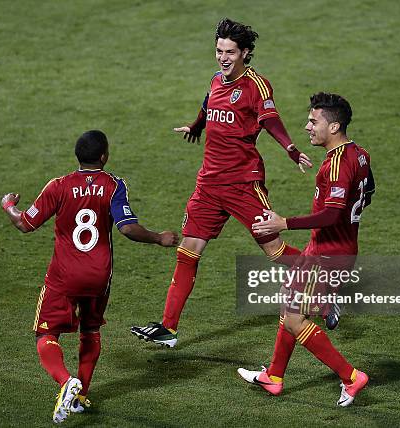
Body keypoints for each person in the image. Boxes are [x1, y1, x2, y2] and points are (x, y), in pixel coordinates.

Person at [130, 18, 313, 347]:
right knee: (188, 250)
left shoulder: (256, 86)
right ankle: (168, 328)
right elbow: (207, 105)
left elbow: (269, 118)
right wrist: (196, 126)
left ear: (245, 52)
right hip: (208, 186)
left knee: (274, 250)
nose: (223, 58)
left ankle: (323, 286)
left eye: (230, 52)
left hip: (243, 184)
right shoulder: (216, 81)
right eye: (218, 51)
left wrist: (290, 148)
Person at [0, 130, 178, 423]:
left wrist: (9, 204)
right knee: (91, 331)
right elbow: (127, 228)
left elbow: (25, 224)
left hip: (64, 277)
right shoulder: (114, 185)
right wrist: (159, 238)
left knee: (46, 333)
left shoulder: (59, 186)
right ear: (104, 156)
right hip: (99, 277)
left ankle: (65, 380)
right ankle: (81, 396)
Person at [237, 92, 374, 407]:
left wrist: (283, 222)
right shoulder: (359, 154)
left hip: (328, 252)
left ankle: (351, 377)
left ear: (334, 126)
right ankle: (274, 376)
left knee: (297, 320)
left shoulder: (338, 164)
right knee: (289, 309)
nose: (307, 126)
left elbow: (332, 214)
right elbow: (369, 192)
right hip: (333, 246)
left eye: (314, 121)